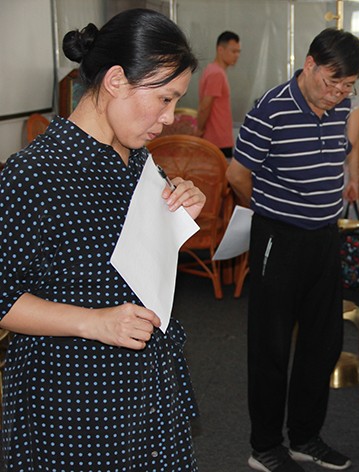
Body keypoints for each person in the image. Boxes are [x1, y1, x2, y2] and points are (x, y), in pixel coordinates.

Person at [0, 9, 205, 471]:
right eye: (164, 98)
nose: (170, 117)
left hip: (146, 387)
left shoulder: (138, 161)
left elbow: (125, 265)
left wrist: (177, 215)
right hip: (70, 397)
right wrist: (93, 322)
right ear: (116, 80)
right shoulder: (34, 174)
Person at [226, 28, 359, 472]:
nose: (338, 93)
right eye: (332, 82)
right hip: (279, 239)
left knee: (323, 343)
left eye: (347, 86)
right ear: (309, 65)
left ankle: (305, 436)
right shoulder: (271, 109)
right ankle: (265, 447)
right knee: (271, 346)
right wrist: (268, 210)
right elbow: (236, 174)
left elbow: (345, 149)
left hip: (324, 237)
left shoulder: (340, 106)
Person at [198, 31, 241, 158]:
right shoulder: (216, 73)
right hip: (217, 140)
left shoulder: (214, 71)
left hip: (218, 138)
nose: (237, 55)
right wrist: (199, 130)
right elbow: (205, 106)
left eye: (238, 52)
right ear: (220, 50)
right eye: (233, 51)